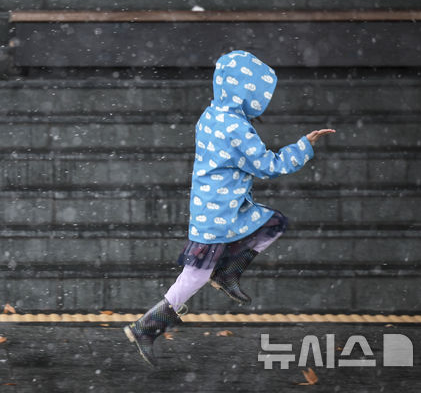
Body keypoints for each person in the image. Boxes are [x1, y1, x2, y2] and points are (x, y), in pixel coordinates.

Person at [123, 50, 335, 366]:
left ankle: (225, 274)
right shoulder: (236, 127)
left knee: (269, 223)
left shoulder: (211, 115)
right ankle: (147, 326)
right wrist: (304, 146)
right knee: (196, 275)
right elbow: (267, 166)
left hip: (218, 207)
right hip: (220, 215)